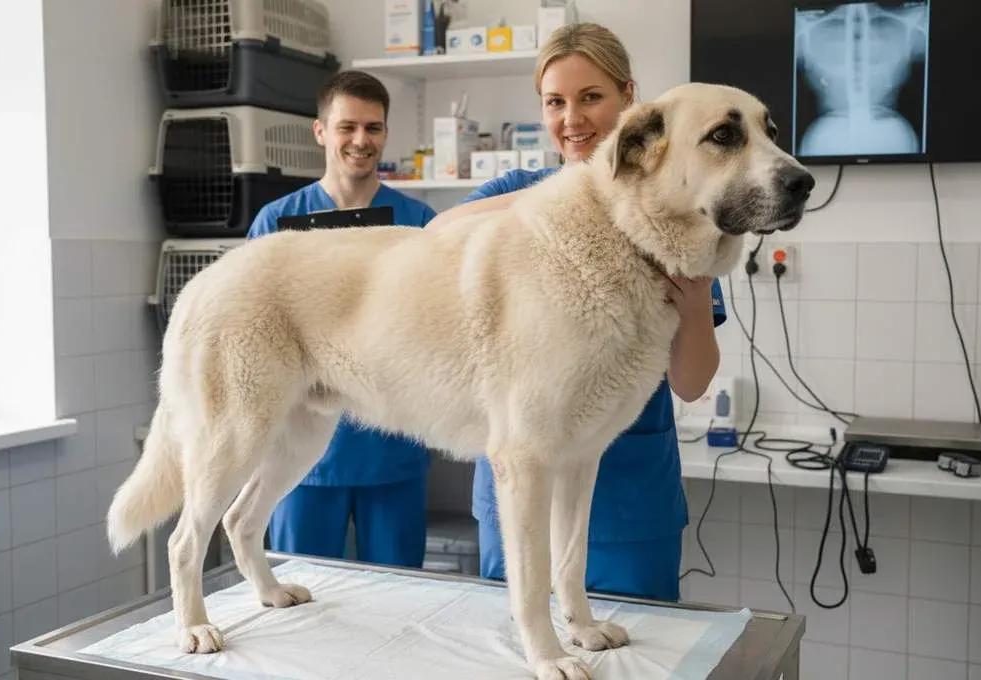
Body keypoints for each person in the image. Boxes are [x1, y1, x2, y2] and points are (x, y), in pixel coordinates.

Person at [428, 22, 728, 602]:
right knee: (518, 644)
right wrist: (568, 195)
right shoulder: (518, 190)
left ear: (629, 98)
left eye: (591, 97)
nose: (572, 119)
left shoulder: (675, 212)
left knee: (637, 643)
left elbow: (691, 385)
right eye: (555, 102)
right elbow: (439, 232)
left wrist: (694, 304)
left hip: (628, 506)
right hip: (520, 495)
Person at [246, 70, 438, 569]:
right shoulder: (275, 223)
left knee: (399, 594)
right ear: (320, 131)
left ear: (386, 134)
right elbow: (255, 334)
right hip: (302, 458)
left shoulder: (420, 223)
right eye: (347, 127)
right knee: (301, 592)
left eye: (373, 128)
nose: (360, 140)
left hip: (393, 448)